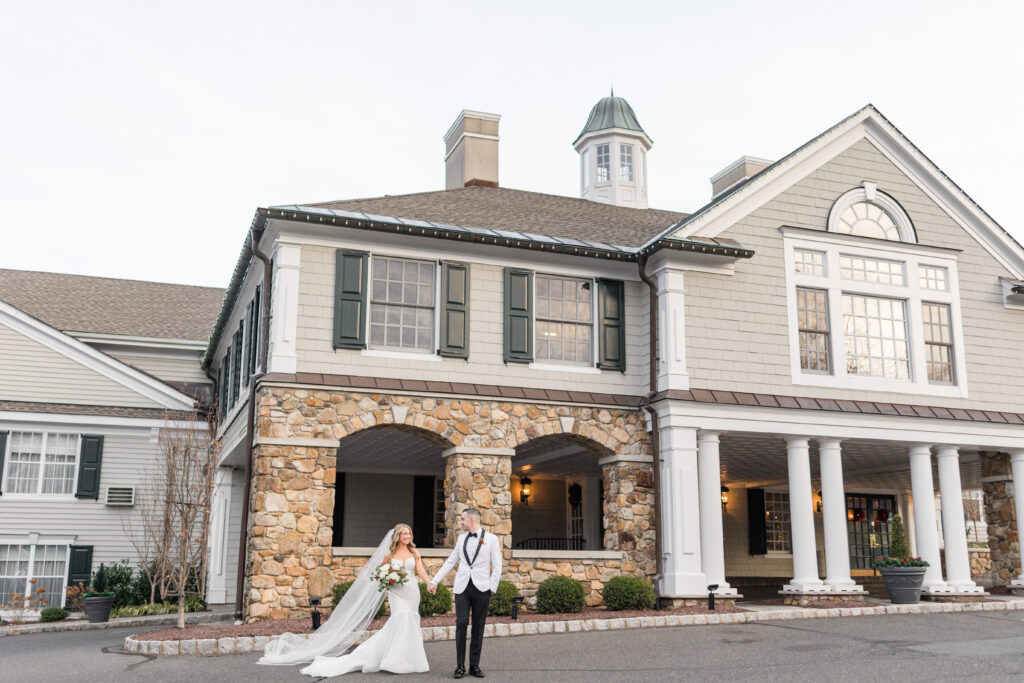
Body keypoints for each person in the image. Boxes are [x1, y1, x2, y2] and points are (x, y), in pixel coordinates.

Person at [258, 523, 431, 676]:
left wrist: (429, 582)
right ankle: (394, 660)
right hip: (396, 593)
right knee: (399, 619)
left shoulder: (414, 553)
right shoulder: (388, 556)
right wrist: (388, 579)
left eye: (409, 534)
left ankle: (410, 659)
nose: (408, 536)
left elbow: (420, 570)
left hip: (412, 591)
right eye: (404, 534)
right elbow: (380, 573)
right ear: (398, 537)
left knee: (411, 621)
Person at [429, 507, 502, 679]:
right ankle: (460, 666)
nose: (460, 522)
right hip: (462, 588)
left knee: (478, 626)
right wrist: (434, 581)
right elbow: (450, 561)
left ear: (472, 520)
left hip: (482, 589)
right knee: (461, 623)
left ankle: (474, 665)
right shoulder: (461, 539)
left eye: (462, 519)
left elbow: (497, 566)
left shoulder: (491, 539)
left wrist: (491, 587)